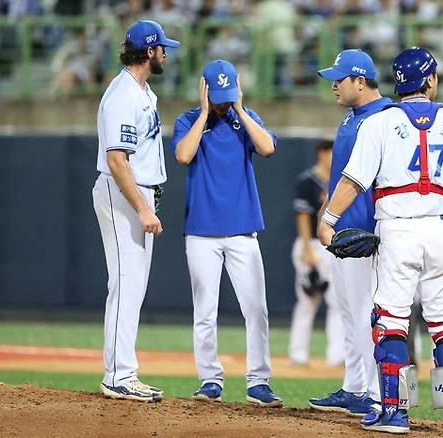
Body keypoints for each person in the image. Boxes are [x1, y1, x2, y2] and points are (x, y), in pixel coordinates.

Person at [317, 47, 443, 434]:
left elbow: (353, 182)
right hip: (440, 228)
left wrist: (329, 219)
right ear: (430, 80)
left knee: (392, 323)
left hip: (398, 229)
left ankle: (397, 413)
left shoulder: (380, 123)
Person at [171, 59, 282, 407]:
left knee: (256, 309)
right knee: (205, 310)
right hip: (202, 232)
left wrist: (240, 107)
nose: (222, 102)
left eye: (226, 94)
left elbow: (267, 148)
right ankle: (210, 379)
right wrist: (205, 113)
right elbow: (183, 155)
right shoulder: (189, 120)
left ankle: (258, 381)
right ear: (204, 90)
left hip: (242, 231)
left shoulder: (245, 119)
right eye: (216, 95)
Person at [92, 20, 180, 402]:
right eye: (162, 48)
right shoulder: (124, 95)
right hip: (123, 193)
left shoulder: (141, 91)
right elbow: (116, 160)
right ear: (149, 52)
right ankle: (118, 374)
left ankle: (124, 371)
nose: (166, 53)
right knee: (125, 284)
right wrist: (143, 208)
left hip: (134, 193)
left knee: (133, 286)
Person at [308, 49, 393, 417]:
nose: (333, 86)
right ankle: (354, 387)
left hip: (369, 233)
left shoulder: (388, 117)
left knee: (368, 315)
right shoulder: (351, 117)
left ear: (361, 80)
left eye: (339, 80)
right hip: (343, 230)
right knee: (347, 313)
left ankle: (375, 393)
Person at [288, 139, 345, 368]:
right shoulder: (307, 182)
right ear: (321, 153)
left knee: (337, 302)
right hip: (311, 243)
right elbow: (302, 217)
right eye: (331, 151)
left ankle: (337, 355)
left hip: (334, 246)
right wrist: (306, 249)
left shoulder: (340, 183)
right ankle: (298, 354)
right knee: (308, 300)